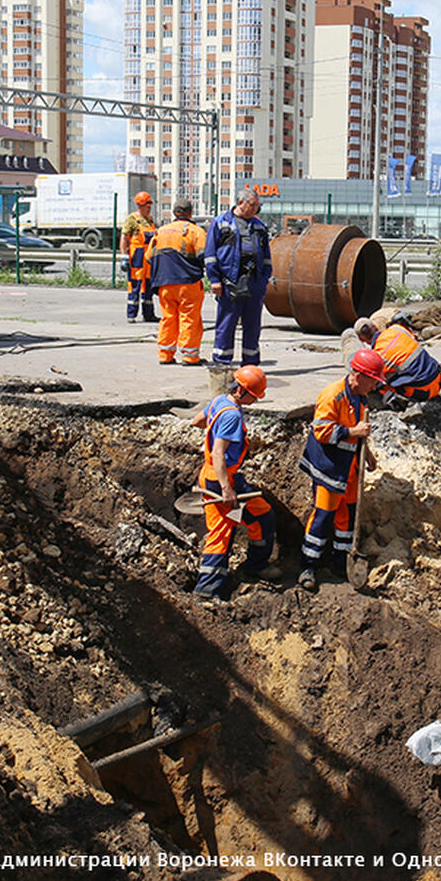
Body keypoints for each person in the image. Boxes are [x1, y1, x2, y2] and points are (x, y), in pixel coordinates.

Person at [297, 349, 386, 592]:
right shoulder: (332, 396)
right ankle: (309, 566)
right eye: (372, 380)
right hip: (329, 467)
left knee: (347, 517)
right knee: (323, 516)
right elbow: (322, 433)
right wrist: (353, 432)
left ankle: (340, 562)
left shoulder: (361, 397)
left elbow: (360, 433)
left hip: (349, 468)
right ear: (358, 375)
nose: (375, 386)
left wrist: (367, 454)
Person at [192, 365, 280, 600]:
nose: (256, 400)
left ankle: (255, 565)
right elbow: (219, 453)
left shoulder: (220, 401)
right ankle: (207, 590)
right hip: (220, 478)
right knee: (221, 531)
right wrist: (226, 488)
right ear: (243, 391)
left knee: (261, 515)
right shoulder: (231, 414)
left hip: (214, 474)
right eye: (255, 395)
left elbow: (198, 421)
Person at [205, 188, 274, 366]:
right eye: (252, 205)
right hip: (230, 282)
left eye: (257, 206)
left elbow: (266, 256)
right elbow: (210, 254)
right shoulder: (221, 222)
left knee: (253, 325)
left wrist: (264, 279)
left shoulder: (259, 226)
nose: (255, 209)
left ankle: (250, 364)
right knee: (227, 323)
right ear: (240, 202)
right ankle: (222, 363)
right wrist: (214, 280)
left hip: (254, 282)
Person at [148, 198, 208, 365]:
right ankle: (189, 356)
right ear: (190, 213)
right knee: (189, 319)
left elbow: (149, 258)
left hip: (165, 284)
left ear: (174, 212)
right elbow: (205, 256)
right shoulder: (196, 231)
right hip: (188, 284)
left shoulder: (161, 231)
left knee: (168, 318)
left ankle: (165, 354)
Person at [353, 315, 441, 406]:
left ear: (361, 339)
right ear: (375, 327)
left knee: (375, 387)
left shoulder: (378, 357)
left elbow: (374, 383)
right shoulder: (397, 329)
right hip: (438, 379)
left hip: (423, 392)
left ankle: (405, 404)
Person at [121, 191, 157, 323]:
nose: (148, 207)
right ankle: (131, 314)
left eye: (149, 205)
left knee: (148, 287)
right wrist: (124, 255)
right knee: (135, 285)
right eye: (146, 205)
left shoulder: (150, 220)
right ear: (139, 205)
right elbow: (124, 237)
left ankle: (148, 314)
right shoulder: (132, 219)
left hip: (148, 258)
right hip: (137, 257)